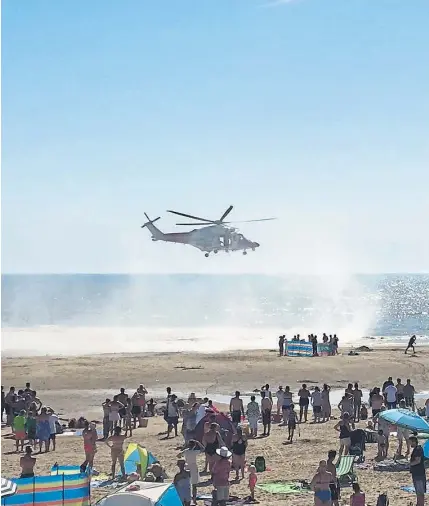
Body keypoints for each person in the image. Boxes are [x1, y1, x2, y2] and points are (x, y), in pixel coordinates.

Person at [178, 439, 204, 504]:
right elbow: (203, 449)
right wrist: (198, 442)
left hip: (187, 467)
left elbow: (178, 455)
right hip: (193, 468)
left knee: (187, 484)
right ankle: (194, 500)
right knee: (194, 485)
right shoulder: (195, 452)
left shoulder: (186, 451)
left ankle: (187, 498)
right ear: (194, 446)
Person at [409, 436, 426, 506]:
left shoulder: (418, 449)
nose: (410, 444)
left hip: (419, 474)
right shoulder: (416, 449)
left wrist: (409, 464)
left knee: (420, 492)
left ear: (414, 442)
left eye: (410, 442)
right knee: (418, 491)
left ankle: (420, 504)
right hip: (417, 473)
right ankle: (418, 504)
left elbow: (418, 461)